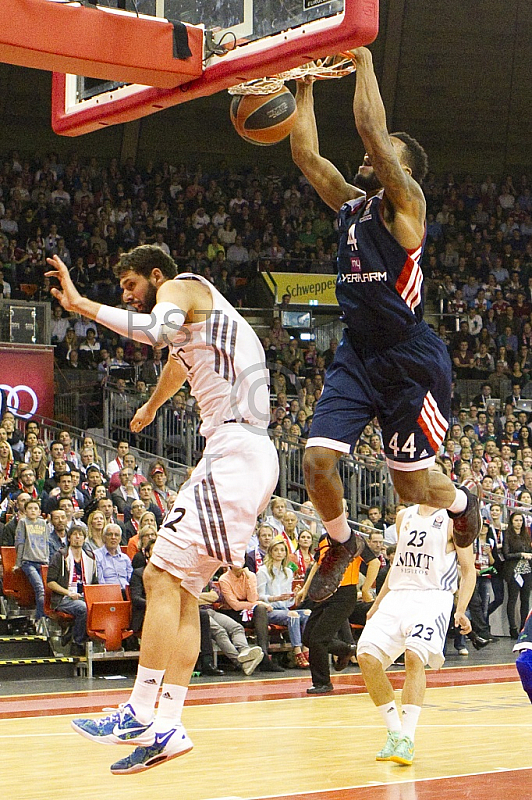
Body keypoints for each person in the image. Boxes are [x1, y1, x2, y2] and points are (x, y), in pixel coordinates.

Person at [47, 244, 278, 773]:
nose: (127, 295)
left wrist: (82, 305)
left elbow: (153, 332)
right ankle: (168, 726)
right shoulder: (199, 322)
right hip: (241, 453)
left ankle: (137, 708)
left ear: (156, 275)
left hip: (234, 453)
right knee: (183, 590)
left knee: (156, 575)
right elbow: (177, 361)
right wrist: (152, 406)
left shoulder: (182, 286)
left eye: (131, 285)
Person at [289, 47, 481, 602]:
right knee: (316, 461)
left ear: (404, 171)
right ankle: (342, 541)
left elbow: (373, 131)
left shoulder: (407, 205)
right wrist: (303, 85)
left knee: (412, 486)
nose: (369, 157)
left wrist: (363, 60)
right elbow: (306, 155)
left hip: (409, 356)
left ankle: (466, 502)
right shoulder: (353, 206)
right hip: (357, 352)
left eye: (383, 156)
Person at [356, 498, 476, 766]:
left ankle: (408, 738)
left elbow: (468, 571)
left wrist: (461, 609)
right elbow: (398, 563)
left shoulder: (454, 519)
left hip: (433, 597)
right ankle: (394, 733)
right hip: (398, 595)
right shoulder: (404, 516)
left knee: (413, 656)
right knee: (366, 657)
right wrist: (377, 602)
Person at [297, 529, 379, 694]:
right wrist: (305, 589)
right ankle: (347, 649)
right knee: (308, 637)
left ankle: (323, 683)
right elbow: (317, 564)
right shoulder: (323, 539)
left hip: (344, 594)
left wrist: (365, 589)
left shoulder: (355, 540)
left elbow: (374, 562)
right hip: (322, 591)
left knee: (318, 639)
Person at [46, 525, 99, 656]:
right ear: (69, 538)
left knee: (97, 607)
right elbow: (50, 582)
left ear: (84, 539)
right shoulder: (60, 556)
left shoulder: (90, 557)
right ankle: (77, 642)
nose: (77, 537)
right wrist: (68, 592)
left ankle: (73, 632)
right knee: (83, 608)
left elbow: (95, 582)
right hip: (64, 598)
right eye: (74, 534)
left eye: (80, 535)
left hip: (84, 596)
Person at [14, 498, 49, 633]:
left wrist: (47, 561)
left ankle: (41, 618)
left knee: (45, 591)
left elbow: (46, 543)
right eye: (30, 508)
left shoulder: (43, 523)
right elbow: (20, 543)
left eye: (35, 508)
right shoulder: (23, 522)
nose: (33, 511)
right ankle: (41, 620)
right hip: (28, 562)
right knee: (40, 590)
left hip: (43, 561)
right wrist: (18, 563)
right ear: (25, 510)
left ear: (40, 511)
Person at [502, 511, 532, 638]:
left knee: (525, 600)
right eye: (516, 520)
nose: (518, 523)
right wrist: (521, 554)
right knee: (513, 599)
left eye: (520, 520)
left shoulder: (526, 535)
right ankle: (512, 628)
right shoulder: (507, 535)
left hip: (527, 571)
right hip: (514, 571)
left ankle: (523, 627)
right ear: (511, 521)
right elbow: (506, 554)